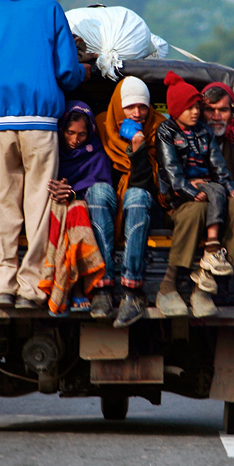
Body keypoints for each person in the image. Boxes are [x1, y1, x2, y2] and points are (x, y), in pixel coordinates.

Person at [0, 0, 85, 309]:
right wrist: (82, 72)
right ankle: (31, 289)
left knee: (2, 204)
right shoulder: (50, 10)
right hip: (42, 125)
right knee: (38, 205)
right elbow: (67, 71)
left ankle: (2, 284)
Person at [156, 71, 234, 318]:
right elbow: (171, 172)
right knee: (197, 208)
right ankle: (168, 284)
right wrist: (190, 189)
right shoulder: (166, 131)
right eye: (191, 108)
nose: (197, 112)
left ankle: (206, 281)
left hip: (209, 192)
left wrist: (231, 188)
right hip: (179, 199)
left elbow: (218, 167)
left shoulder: (204, 132)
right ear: (176, 110)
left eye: (198, 107)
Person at [93, 76, 166, 327]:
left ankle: (132, 291)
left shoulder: (158, 128)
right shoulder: (102, 125)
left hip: (149, 204)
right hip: (112, 205)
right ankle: (102, 287)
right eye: (130, 106)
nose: (137, 113)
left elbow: (149, 184)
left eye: (143, 106)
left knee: (135, 195)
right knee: (97, 192)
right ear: (118, 107)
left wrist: (138, 147)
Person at [39, 101, 111, 317]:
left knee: (77, 209)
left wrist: (73, 193)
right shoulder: (51, 149)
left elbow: (100, 183)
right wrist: (57, 191)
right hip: (58, 206)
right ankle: (72, 285)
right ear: (61, 129)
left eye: (81, 134)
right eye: (70, 133)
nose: (74, 140)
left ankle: (73, 285)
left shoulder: (95, 152)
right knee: (65, 210)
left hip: (87, 209)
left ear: (89, 133)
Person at [201, 82, 234, 178]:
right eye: (210, 110)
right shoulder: (189, 140)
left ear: (232, 113)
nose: (216, 117)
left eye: (223, 110)